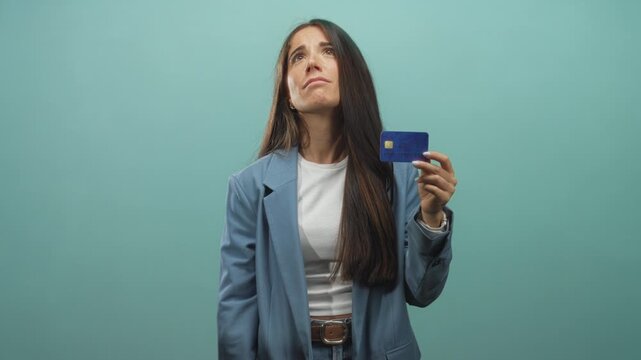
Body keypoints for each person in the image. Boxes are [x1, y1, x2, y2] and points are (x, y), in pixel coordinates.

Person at [217, 19, 457, 359]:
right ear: (287, 93)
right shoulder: (249, 188)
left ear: (353, 75)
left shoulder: (400, 176)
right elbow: (236, 306)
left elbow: (422, 292)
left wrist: (431, 218)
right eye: (297, 57)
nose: (312, 62)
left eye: (328, 51)